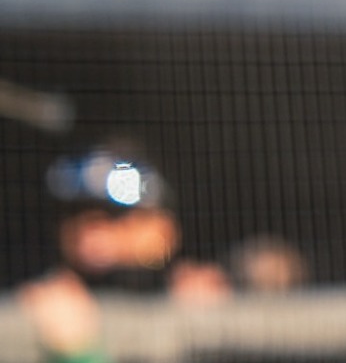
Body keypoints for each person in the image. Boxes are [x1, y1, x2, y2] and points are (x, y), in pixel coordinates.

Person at [17, 141, 230, 363]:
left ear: (163, 224)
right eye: (76, 215)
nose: (91, 231)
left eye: (114, 215)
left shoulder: (205, 290)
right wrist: (79, 353)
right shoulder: (47, 300)